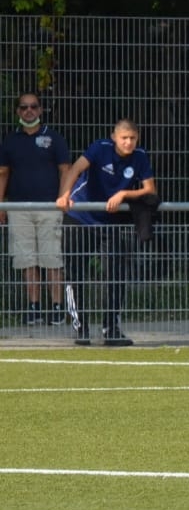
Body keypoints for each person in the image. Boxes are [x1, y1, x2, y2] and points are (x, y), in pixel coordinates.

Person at [55, 118, 158, 347]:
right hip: (81, 217)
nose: (128, 142)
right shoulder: (99, 148)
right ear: (114, 138)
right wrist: (64, 195)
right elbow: (75, 169)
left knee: (116, 273)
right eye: (124, 138)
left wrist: (123, 194)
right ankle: (81, 327)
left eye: (132, 138)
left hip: (110, 222)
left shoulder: (140, 156)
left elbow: (150, 189)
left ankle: (111, 328)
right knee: (74, 271)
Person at [0, 92, 70, 325]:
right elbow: (3, 173)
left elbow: (65, 170)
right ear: (18, 111)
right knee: (26, 259)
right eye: (24, 107)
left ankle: (57, 307)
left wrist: (62, 198)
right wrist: (1, 204)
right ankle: (34, 308)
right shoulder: (10, 140)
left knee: (52, 258)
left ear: (40, 110)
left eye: (33, 106)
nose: (28, 110)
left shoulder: (54, 137)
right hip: (18, 208)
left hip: (49, 207)